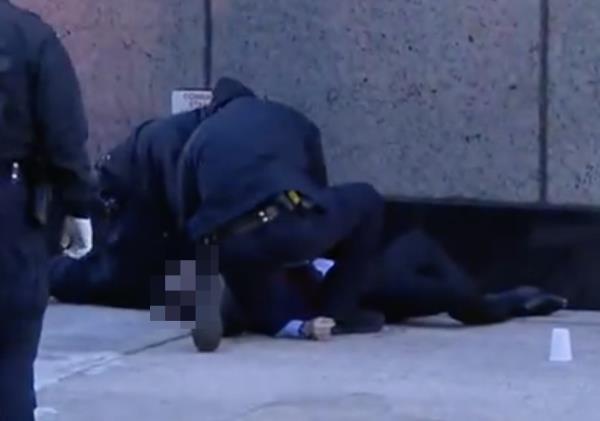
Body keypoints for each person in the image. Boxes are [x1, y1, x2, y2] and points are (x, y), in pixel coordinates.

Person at [178, 82, 386, 352]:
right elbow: (317, 190)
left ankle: (231, 309)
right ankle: (336, 312)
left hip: (230, 247)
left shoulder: (198, 139)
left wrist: (199, 272)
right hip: (287, 223)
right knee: (367, 199)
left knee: (258, 299)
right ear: (253, 98)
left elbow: (186, 215)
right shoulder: (290, 119)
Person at [0, 2, 93, 420]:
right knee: (10, 354)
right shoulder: (28, 35)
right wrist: (77, 204)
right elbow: (63, 128)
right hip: (8, 203)